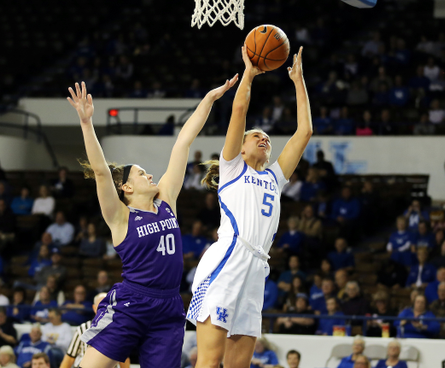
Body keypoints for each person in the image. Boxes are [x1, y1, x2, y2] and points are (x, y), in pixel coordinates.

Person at [68, 75, 238, 368]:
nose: (150, 176)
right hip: (132, 303)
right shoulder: (120, 217)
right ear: (127, 188)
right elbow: (100, 172)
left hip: (169, 305)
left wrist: (209, 99)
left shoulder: (166, 201)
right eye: (142, 174)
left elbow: (183, 141)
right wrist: (86, 123)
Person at [186, 46, 312, 368]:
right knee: (209, 362)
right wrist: (250, 75)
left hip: (257, 269)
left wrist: (298, 81)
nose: (264, 139)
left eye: (267, 138)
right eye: (256, 136)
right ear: (239, 148)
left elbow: (304, 132)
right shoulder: (232, 169)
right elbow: (239, 108)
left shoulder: (275, 177)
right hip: (228, 260)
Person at [59, 293, 130, 368]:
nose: (105, 309)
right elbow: (69, 358)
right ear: (94, 308)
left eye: (108, 305)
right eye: (102, 305)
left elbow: (124, 359)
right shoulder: (83, 328)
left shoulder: (117, 331)